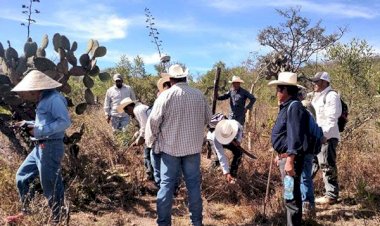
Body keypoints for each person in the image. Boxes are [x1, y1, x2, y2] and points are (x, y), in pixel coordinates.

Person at [148, 64, 211, 226]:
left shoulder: (165, 96)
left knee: (166, 186)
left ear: (170, 79)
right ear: (185, 77)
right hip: (193, 149)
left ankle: (163, 223)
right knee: (193, 187)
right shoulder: (199, 95)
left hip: (170, 149)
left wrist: (151, 141)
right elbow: (209, 120)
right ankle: (196, 223)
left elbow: (154, 122)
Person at [6, 70, 71, 224]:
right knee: (22, 177)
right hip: (40, 146)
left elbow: (64, 122)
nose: (24, 94)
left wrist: (38, 130)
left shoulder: (54, 99)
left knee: (50, 184)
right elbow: (45, 123)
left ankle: (59, 219)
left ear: (35, 89)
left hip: (50, 146)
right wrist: (27, 124)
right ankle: (27, 212)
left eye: (26, 91)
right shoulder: (44, 99)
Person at [269, 72, 308, 226]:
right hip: (285, 157)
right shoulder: (287, 106)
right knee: (290, 194)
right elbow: (287, 135)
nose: (276, 92)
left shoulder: (294, 107)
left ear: (285, 90)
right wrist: (281, 154)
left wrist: (290, 159)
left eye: (278, 89)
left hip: (290, 160)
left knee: (290, 196)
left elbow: (295, 135)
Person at [311, 71, 342, 205]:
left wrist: (324, 136)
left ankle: (331, 195)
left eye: (317, 81)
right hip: (317, 137)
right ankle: (303, 191)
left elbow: (332, 118)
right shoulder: (317, 97)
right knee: (313, 164)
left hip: (326, 137)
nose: (314, 84)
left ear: (324, 82)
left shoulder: (331, 96)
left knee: (327, 165)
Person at [116, 97, 154, 180]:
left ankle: (151, 176)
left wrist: (139, 139)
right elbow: (143, 126)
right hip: (152, 136)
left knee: (147, 155)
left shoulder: (138, 110)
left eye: (126, 110)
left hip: (152, 137)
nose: (127, 113)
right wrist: (137, 135)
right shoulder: (140, 108)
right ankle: (151, 175)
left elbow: (145, 127)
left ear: (129, 107)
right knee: (148, 155)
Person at [206, 116, 243, 183]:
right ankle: (211, 173)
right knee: (217, 158)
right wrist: (226, 173)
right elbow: (221, 155)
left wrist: (238, 140)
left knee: (238, 151)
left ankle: (233, 175)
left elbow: (240, 128)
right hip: (212, 138)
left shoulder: (234, 124)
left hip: (227, 136)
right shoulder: (215, 137)